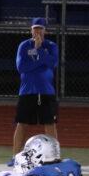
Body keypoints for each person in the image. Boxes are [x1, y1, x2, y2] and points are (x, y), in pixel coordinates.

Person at [11, 17, 58, 165]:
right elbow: (21, 67)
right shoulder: (24, 45)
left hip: (46, 91)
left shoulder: (51, 46)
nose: (38, 31)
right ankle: (15, 157)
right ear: (31, 30)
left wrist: (39, 50)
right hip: (27, 91)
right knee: (21, 124)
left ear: (45, 30)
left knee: (50, 124)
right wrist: (40, 60)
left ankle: (54, 157)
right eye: (35, 28)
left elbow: (53, 63)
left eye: (40, 28)